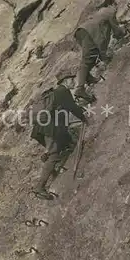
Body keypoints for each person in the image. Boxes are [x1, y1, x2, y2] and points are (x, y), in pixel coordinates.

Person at [31, 68, 88, 200]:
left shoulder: (55, 94)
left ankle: (49, 157)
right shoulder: (62, 91)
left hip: (43, 128)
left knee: (66, 142)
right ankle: (40, 187)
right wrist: (85, 119)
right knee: (54, 154)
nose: (73, 81)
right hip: (49, 128)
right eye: (71, 79)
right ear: (65, 81)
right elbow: (72, 107)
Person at [74, 0, 126, 102]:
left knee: (92, 55)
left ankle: (87, 78)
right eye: (116, 5)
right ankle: (79, 89)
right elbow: (116, 30)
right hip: (90, 33)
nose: (117, 7)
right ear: (111, 4)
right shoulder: (110, 11)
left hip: (83, 32)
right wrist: (122, 32)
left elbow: (108, 26)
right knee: (87, 59)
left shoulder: (100, 12)